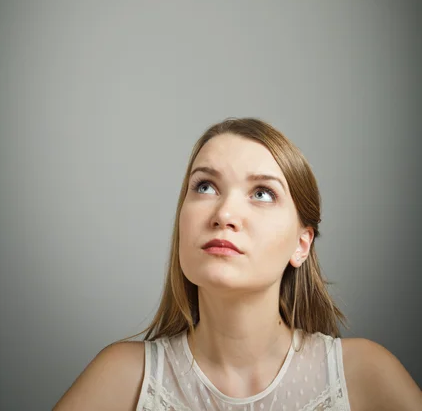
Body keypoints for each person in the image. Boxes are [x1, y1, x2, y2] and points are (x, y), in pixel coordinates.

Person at [53, 117, 421, 410]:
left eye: (262, 193)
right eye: (205, 187)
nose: (224, 213)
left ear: (302, 244)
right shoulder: (123, 379)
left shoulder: (364, 376)